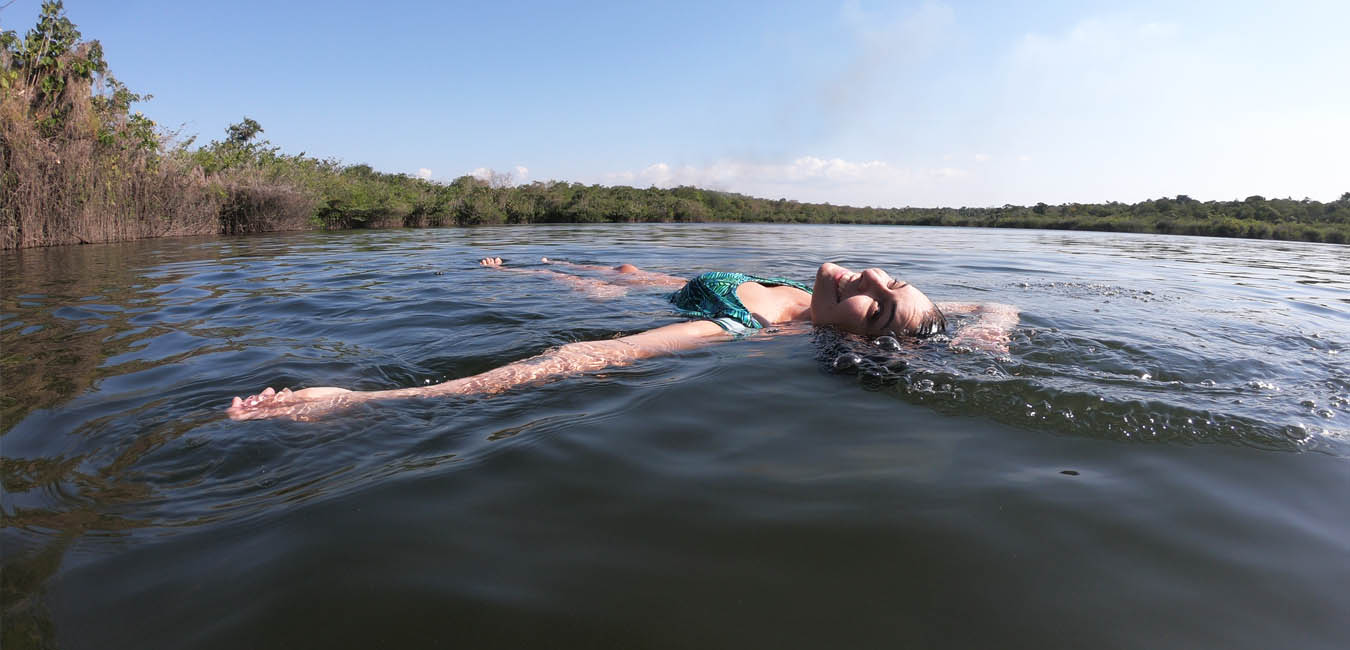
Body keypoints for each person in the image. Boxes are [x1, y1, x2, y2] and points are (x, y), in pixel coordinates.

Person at [227, 258, 1018, 420]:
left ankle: (521, 269)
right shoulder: (846, 296)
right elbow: (1001, 303)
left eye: (878, 305)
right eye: (891, 279)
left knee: (594, 303)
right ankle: (540, 266)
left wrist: (357, 397)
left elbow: (581, 359)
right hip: (682, 271)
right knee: (619, 269)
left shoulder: (733, 332)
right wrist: (992, 338)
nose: (872, 282)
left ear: (859, 340)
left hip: (705, 299)